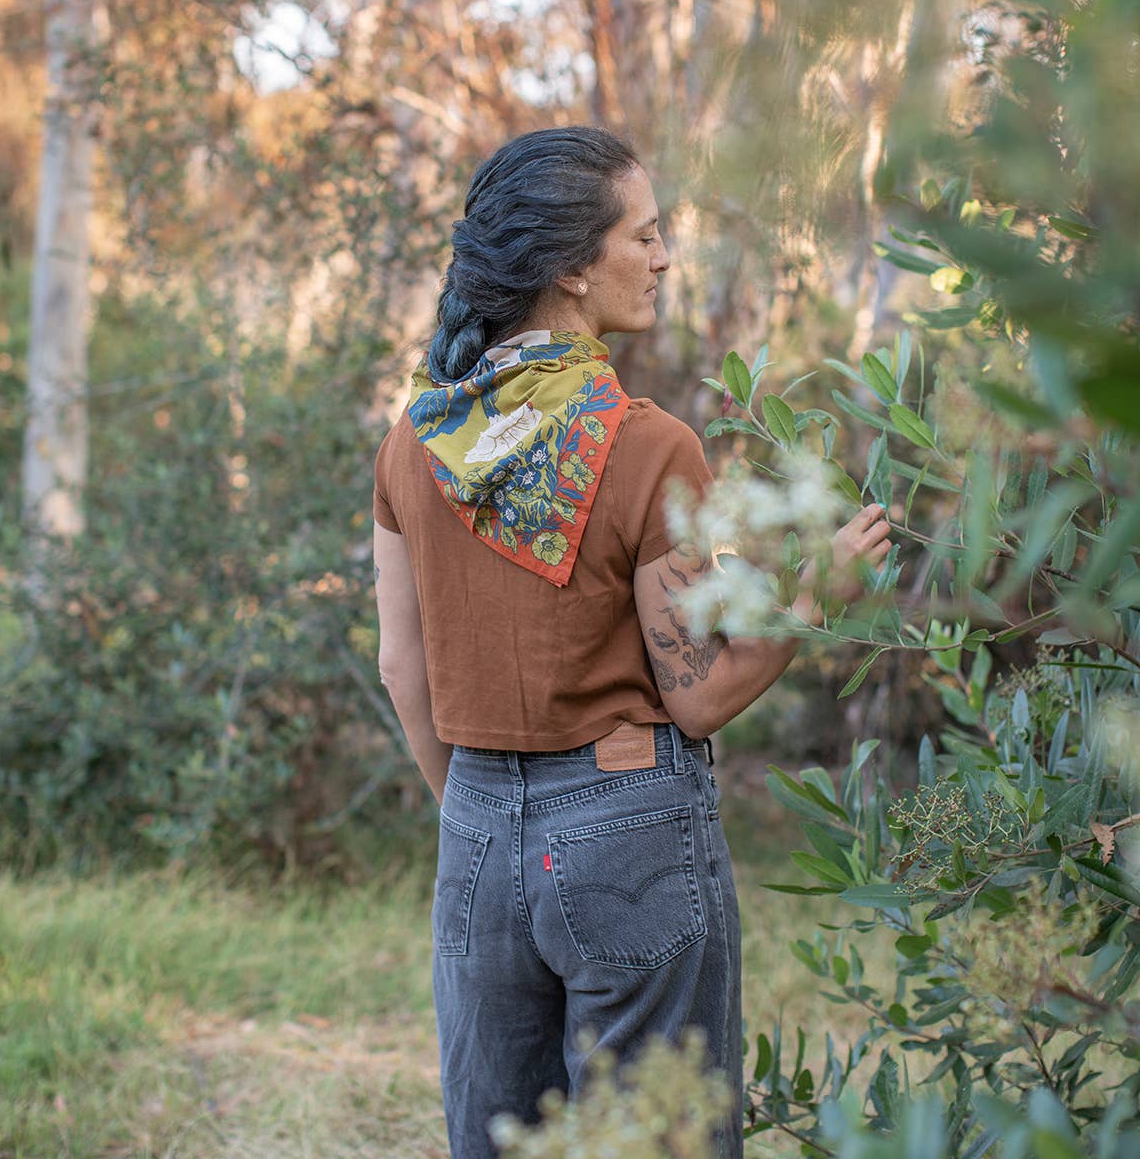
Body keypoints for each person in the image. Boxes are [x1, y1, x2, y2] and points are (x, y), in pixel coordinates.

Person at [372, 125, 891, 1159]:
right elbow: (697, 692)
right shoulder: (648, 445)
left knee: (502, 1139)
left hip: (475, 824)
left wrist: (489, 814)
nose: (661, 258)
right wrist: (822, 588)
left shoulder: (412, 443)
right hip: (628, 827)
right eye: (644, 237)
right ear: (571, 266)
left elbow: (403, 666)